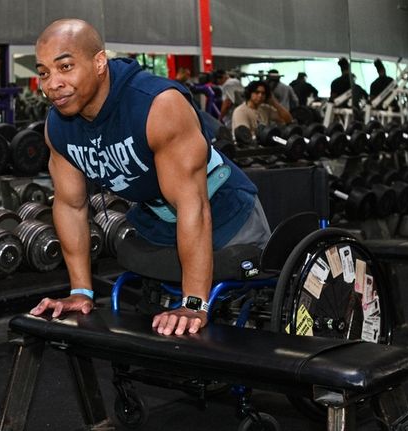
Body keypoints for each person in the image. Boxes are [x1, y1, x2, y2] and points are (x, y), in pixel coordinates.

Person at [29, 19, 271, 336]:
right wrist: (81, 292)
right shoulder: (59, 126)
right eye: (44, 72)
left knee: (228, 320)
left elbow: (192, 205)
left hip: (227, 215)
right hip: (158, 221)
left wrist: (195, 304)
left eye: (65, 67)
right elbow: (71, 205)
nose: (52, 83)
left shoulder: (157, 106)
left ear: (99, 62)